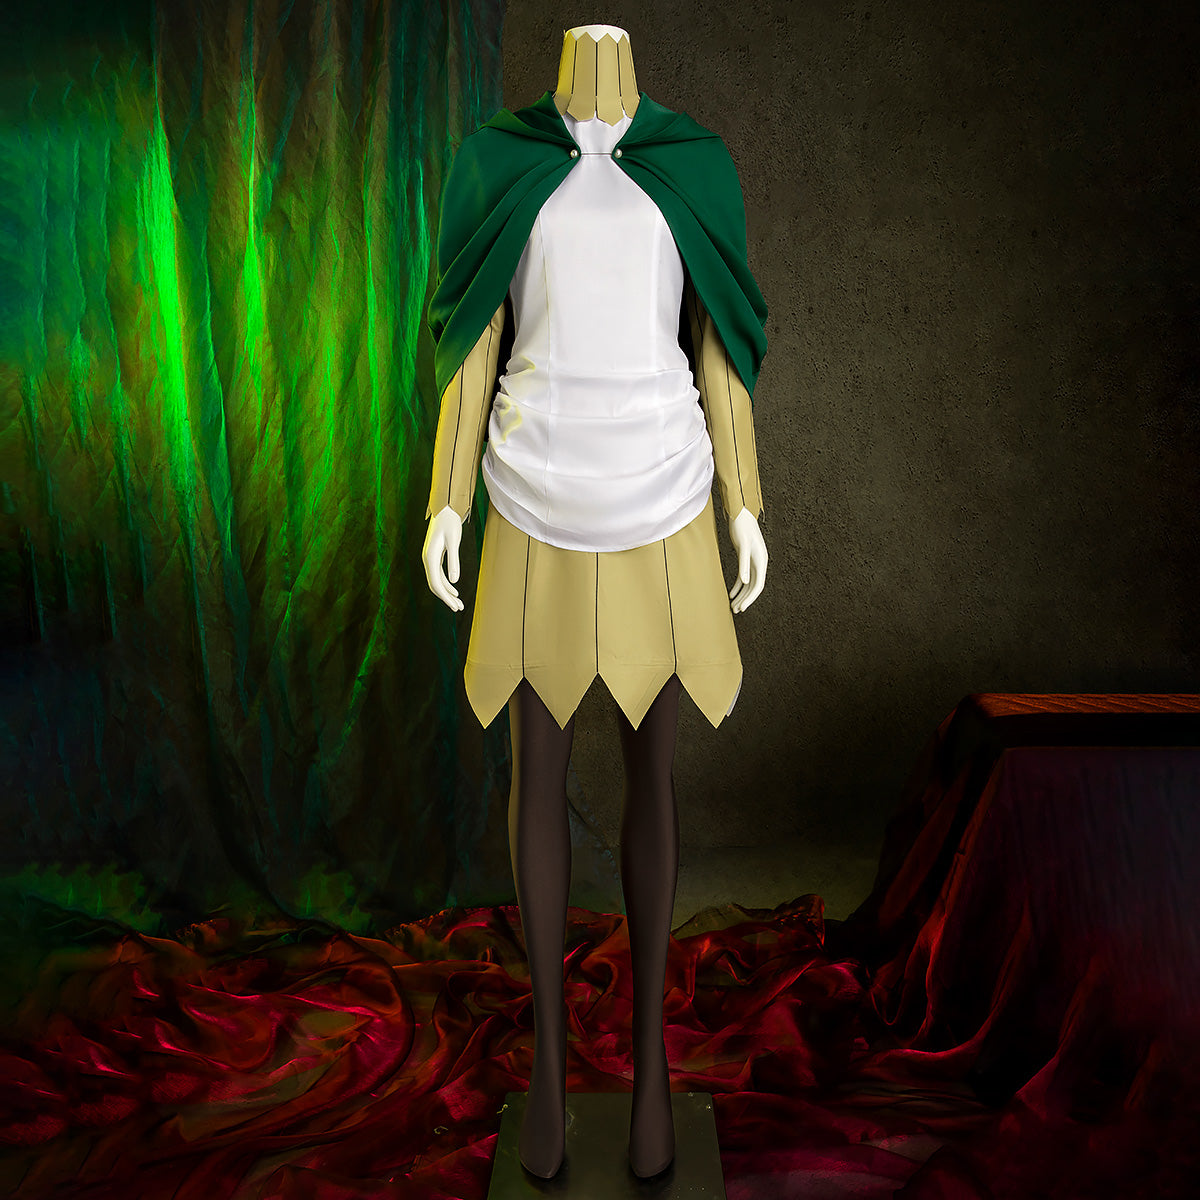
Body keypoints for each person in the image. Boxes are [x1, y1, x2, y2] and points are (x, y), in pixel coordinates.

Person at [421, 23, 769, 1180]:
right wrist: (446, 502)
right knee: (538, 776)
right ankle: (551, 1076)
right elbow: (475, 339)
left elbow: (717, 344)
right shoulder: (500, 160)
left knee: (650, 779)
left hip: (662, 494)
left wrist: (745, 503)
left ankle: (656, 1074)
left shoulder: (691, 165)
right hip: (533, 495)